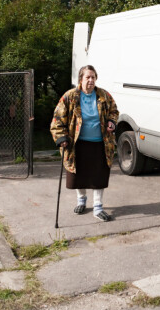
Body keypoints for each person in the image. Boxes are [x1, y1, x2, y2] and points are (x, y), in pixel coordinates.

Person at [50, 65, 119, 222]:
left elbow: (114, 111)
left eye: (93, 77)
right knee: (79, 175)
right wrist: (61, 137)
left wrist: (111, 122)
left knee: (98, 176)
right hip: (77, 144)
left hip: (100, 143)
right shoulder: (70, 96)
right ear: (80, 79)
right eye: (87, 77)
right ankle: (81, 200)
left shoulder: (103, 95)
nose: (91, 80)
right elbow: (57, 119)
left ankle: (98, 207)